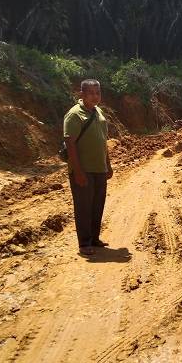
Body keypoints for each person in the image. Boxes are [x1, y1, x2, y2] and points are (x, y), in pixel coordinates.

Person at [63, 79, 113, 256]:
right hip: (83, 169)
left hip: (99, 168)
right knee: (83, 207)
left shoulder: (98, 112)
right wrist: (78, 171)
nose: (95, 96)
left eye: (98, 93)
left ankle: (94, 238)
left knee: (97, 205)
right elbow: (70, 144)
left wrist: (108, 164)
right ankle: (84, 243)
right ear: (82, 94)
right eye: (91, 93)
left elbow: (103, 141)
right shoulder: (74, 115)